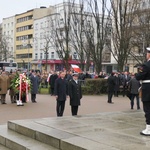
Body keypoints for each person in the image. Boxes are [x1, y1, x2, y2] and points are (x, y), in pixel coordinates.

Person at [135, 47, 150, 136]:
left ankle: (148, 129)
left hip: (148, 88)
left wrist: (137, 74)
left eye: (147, 53)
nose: (146, 55)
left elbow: (139, 76)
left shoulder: (147, 65)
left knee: (147, 109)